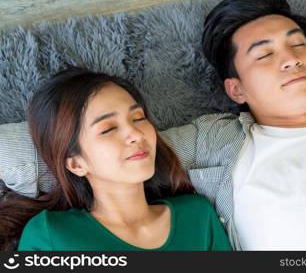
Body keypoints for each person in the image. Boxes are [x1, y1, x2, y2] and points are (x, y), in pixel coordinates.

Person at [0, 0, 306, 251]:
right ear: (235, 89)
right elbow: (82, 149)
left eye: (299, 45)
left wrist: (285, 53)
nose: (290, 59)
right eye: (266, 54)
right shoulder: (217, 143)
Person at [0, 68, 232, 251]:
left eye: (138, 118)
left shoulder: (197, 216)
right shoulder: (51, 234)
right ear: (76, 163)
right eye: (108, 128)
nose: (136, 134)